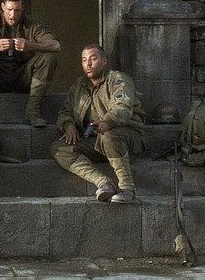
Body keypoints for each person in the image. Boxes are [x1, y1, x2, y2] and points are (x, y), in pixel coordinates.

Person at [50, 43, 146, 204]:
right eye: (84, 60)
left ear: (104, 61)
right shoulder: (78, 86)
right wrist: (68, 125)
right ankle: (104, 183)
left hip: (127, 140)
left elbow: (123, 107)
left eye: (93, 59)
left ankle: (127, 188)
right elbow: (65, 111)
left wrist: (108, 121)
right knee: (58, 148)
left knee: (109, 135)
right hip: (96, 142)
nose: (88, 64)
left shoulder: (118, 80)